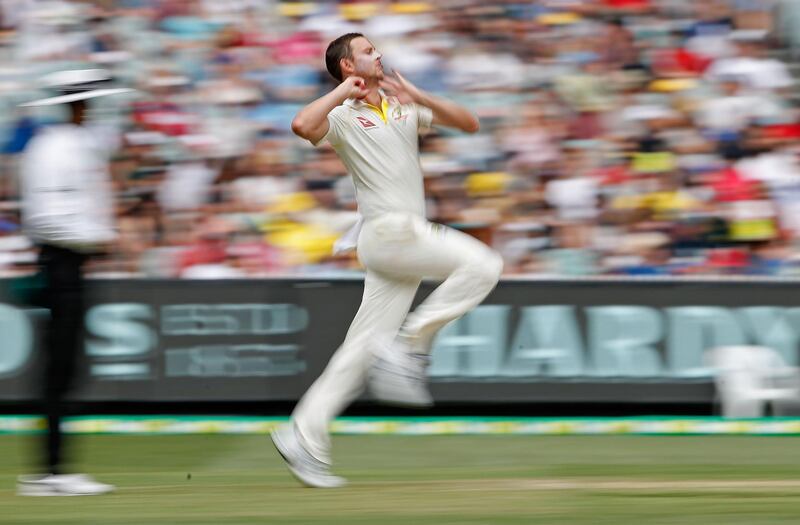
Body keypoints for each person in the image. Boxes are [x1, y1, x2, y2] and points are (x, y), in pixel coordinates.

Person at [271, 33, 503, 488]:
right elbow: (302, 125)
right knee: (484, 265)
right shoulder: (340, 116)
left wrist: (417, 94)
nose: (378, 54)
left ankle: (302, 435)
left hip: (398, 246)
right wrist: (344, 91)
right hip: (388, 232)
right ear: (347, 66)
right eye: (367, 51)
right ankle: (411, 345)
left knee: (359, 351)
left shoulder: (400, 106)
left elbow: (469, 123)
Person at [15, 69, 131, 496]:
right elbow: (46, 218)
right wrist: (96, 237)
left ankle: (54, 469)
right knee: (59, 370)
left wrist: (95, 236)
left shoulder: (72, 144)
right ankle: (51, 472)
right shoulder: (53, 147)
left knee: (66, 368)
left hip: (70, 265)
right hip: (60, 265)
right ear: (78, 105)